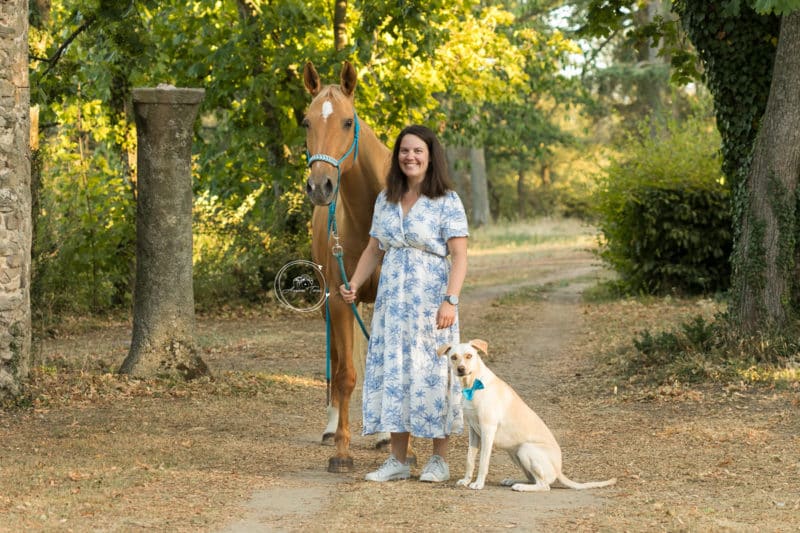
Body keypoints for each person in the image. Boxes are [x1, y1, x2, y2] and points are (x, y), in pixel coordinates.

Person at [339, 124, 469, 483]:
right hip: (392, 304)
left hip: (431, 302)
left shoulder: (447, 200)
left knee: (433, 373)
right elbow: (373, 249)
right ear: (397, 158)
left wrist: (450, 301)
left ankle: (438, 460)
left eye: (417, 152)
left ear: (430, 158)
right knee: (395, 372)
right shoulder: (386, 199)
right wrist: (354, 283)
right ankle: (397, 459)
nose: (410, 157)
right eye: (404, 151)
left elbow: (459, 257)